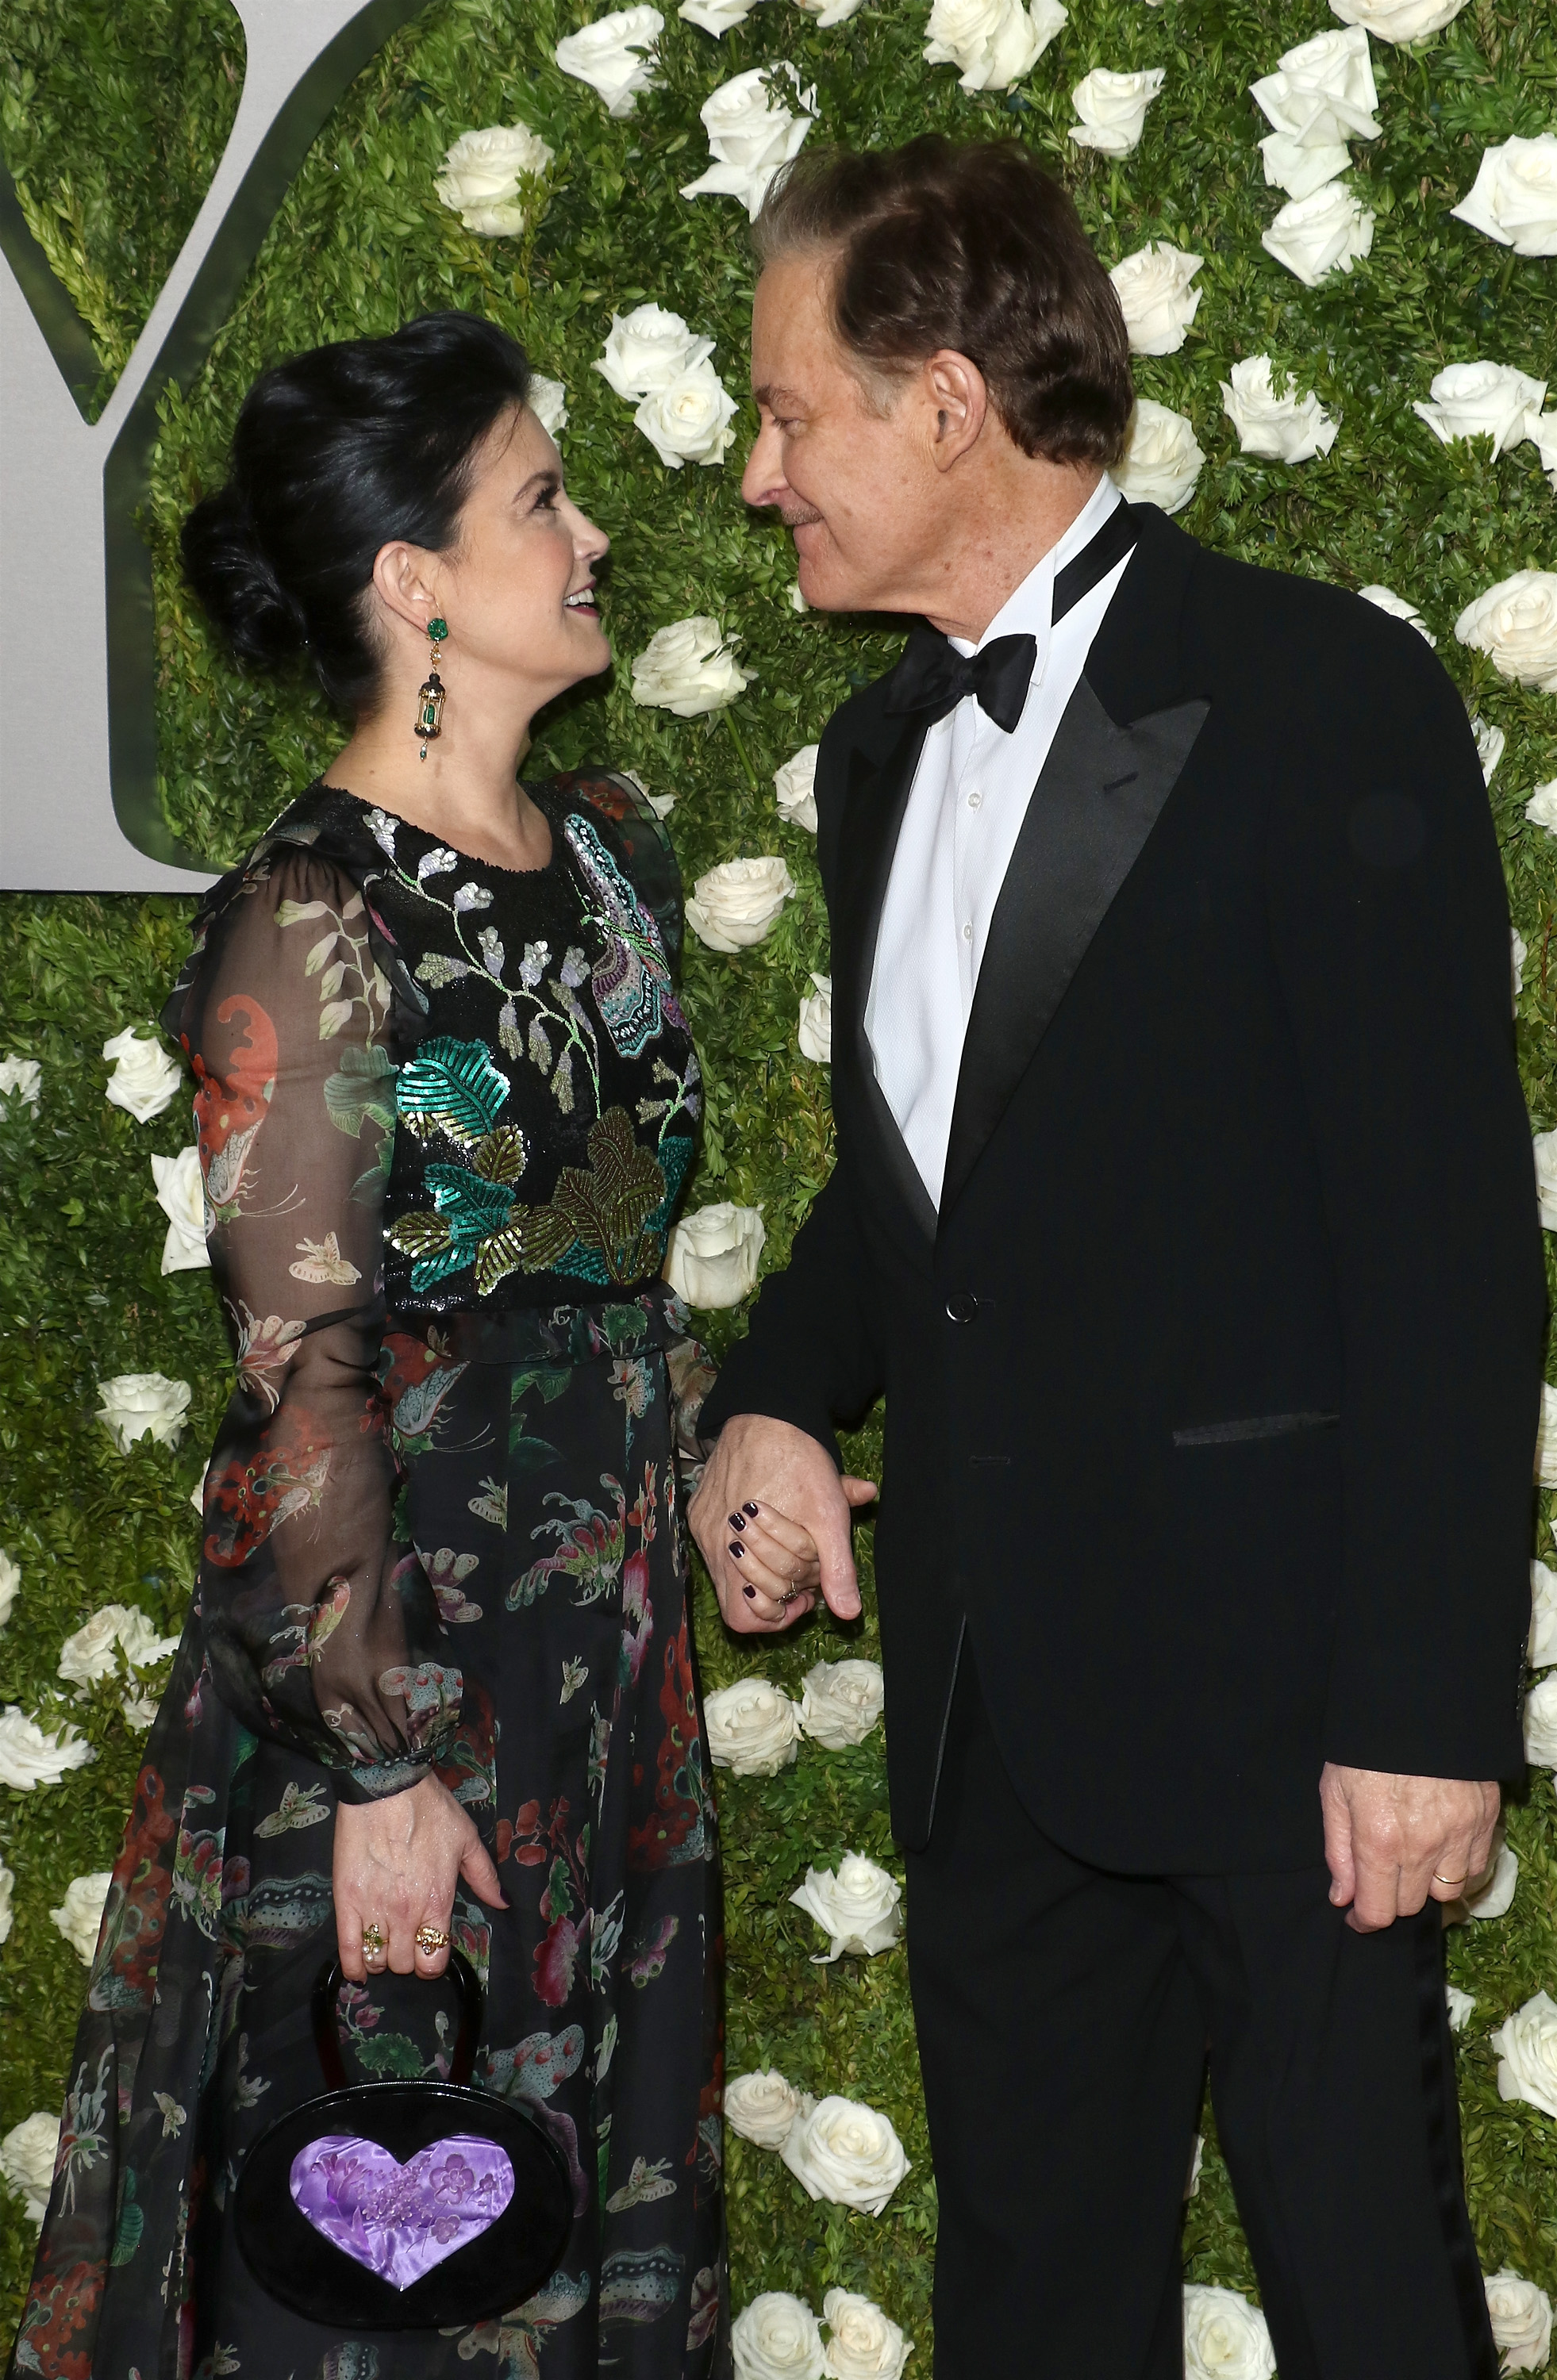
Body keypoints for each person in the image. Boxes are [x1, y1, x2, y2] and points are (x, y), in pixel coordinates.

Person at [689, 137, 1544, 2380]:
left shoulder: (1305, 692)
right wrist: (772, 1386)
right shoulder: (872, 757)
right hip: (996, 1732)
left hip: (1294, 1734)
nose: (756, 473)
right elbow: (922, 1200)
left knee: (1371, 2315)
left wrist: (1425, 1709)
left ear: (943, 401)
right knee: (1031, 2325)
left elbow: (1444, 1238)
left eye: (789, 413)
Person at [14, 313, 730, 2380]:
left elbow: (609, 1258)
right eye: (539, 499)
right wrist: (382, 1766)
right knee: (385, 2293)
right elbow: (301, 1367)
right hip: (395, 1666)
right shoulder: (309, 918)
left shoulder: (609, 848)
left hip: (602, 1662)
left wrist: (725, 1452)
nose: (590, 535)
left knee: (570, 2228)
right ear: (412, 581)